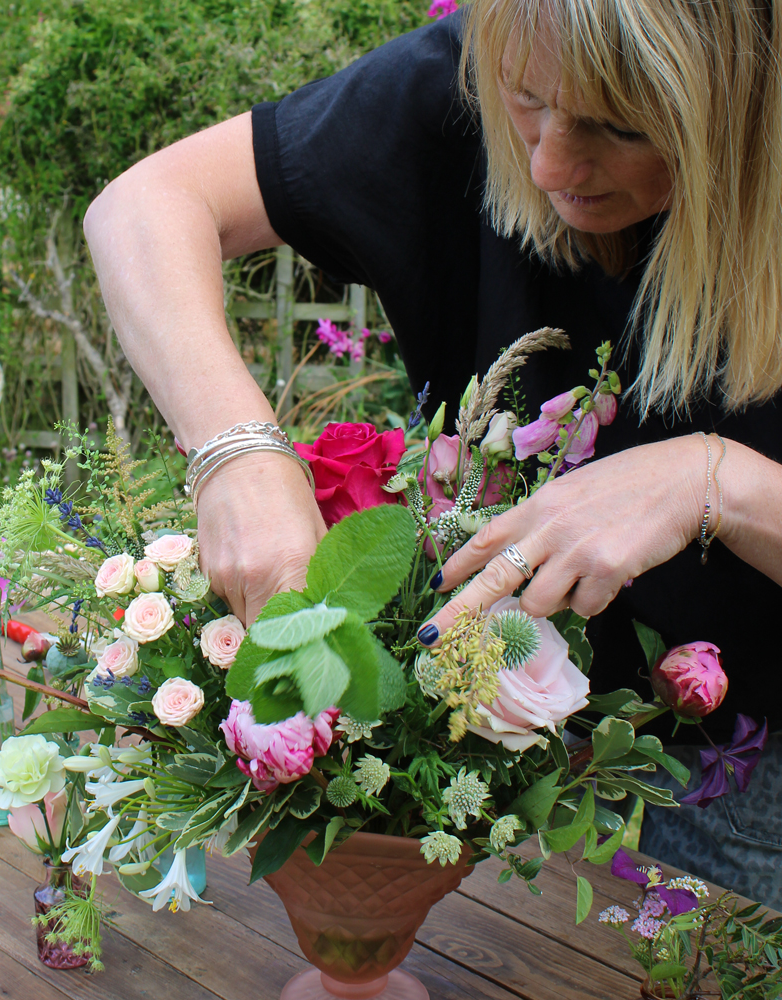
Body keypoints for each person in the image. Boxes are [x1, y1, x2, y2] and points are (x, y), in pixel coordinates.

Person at [83, 0, 782, 905]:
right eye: (526, 99)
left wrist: (718, 482)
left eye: (620, 126)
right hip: (485, 755)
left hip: (748, 787)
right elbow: (143, 205)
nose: (546, 164)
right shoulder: (472, 70)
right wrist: (235, 451)